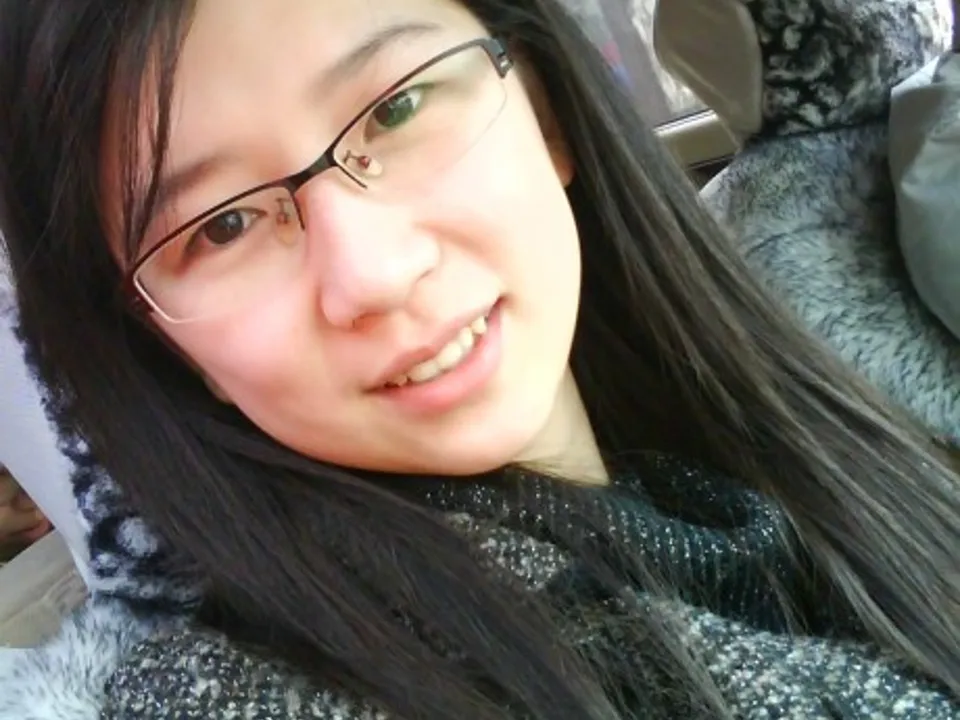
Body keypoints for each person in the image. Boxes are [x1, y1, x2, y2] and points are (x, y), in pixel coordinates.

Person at [0, 0, 957, 717]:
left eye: (398, 106)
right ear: (164, 347)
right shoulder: (238, 689)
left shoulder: (812, 410)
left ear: (544, 111)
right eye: (223, 226)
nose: (374, 274)